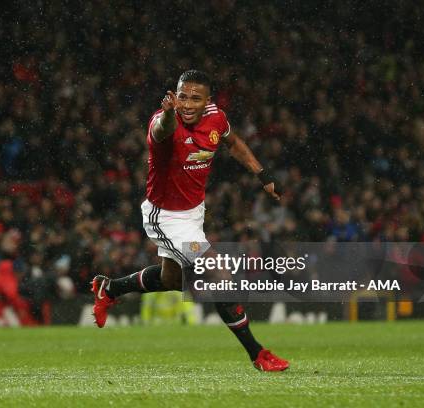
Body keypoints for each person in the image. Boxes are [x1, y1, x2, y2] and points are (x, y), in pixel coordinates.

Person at [91, 70, 289, 371]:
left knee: (172, 279)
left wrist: (262, 175)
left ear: (207, 101)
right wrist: (169, 114)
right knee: (219, 273)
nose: (187, 103)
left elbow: (233, 142)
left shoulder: (216, 118)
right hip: (165, 216)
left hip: (193, 212)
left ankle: (111, 289)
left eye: (196, 98)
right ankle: (258, 354)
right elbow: (161, 129)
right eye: (182, 96)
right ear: (175, 95)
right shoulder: (163, 121)